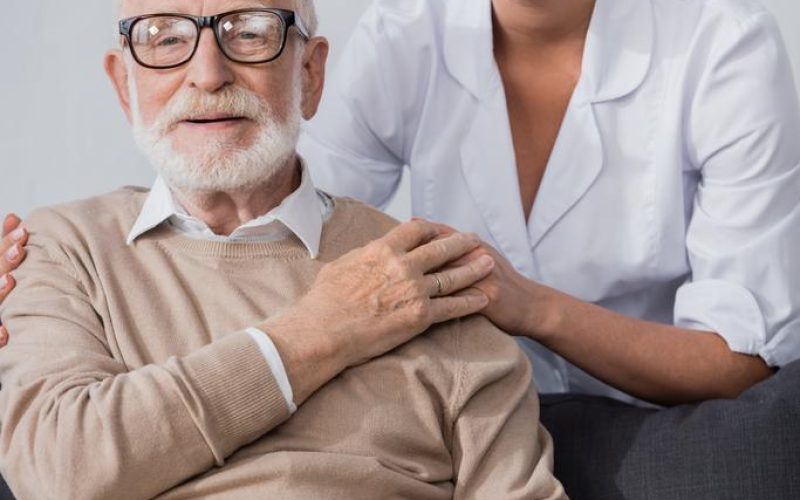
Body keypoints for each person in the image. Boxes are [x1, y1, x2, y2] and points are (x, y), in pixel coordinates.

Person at [0, 1, 565, 499]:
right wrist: (322, 328)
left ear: (311, 73)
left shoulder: (426, 277)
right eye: (165, 37)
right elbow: (59, 474)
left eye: (249, 32)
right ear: (124, 86)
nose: (207, 73)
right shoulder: (58, 249)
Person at [298, 0, 800, 497]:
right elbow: (298, 245)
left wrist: (532, 307)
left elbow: (740, 363)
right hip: (465, 422)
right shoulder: (400, 35)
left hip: (656, 423)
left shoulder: (724, 45)